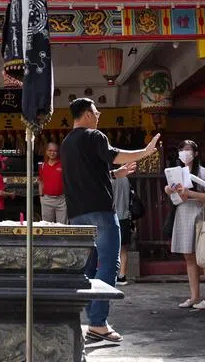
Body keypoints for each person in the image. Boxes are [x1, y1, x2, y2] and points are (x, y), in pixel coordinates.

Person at [61, 97, 160, 344]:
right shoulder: (95, 136)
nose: (98, 115)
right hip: (100, 211)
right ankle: (98, 323)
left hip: (77, 214)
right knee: (108, 264)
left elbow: (90, 172)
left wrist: (115, 175)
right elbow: (114, 155)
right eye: (96, 112)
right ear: (86, 114)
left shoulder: (66, 143)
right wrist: (145, 152)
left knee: (88, 266)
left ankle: (94, 319)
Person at [166, 139, 205, 310]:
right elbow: (172, 192)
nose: (184, 153)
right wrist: (169, 190)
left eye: (188, 150)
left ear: (195, 153)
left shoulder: (203, 172)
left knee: (204, 257)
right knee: (188, 256)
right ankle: (194, 296)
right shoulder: (176, 172)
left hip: (199, 213)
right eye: (182, 149)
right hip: (182, 212)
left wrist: (190, 193)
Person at [38, 142, 68, 223]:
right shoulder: (42, 165)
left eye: (55, 151)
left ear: (58, 152)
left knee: (62, 226)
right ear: (46, 152)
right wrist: (41, 197)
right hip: (47, 200)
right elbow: (41, 181)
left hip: (61, 200)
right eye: (50, 150)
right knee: (47, 225)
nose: (52, 153)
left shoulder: (63, 164)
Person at [111, 169, 131, 286]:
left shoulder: (110, 179)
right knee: (123, 248)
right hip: (124, 215)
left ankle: (112, 274)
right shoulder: (125, 179)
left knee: (110, 247)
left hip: (112, 215)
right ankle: (122, 275)